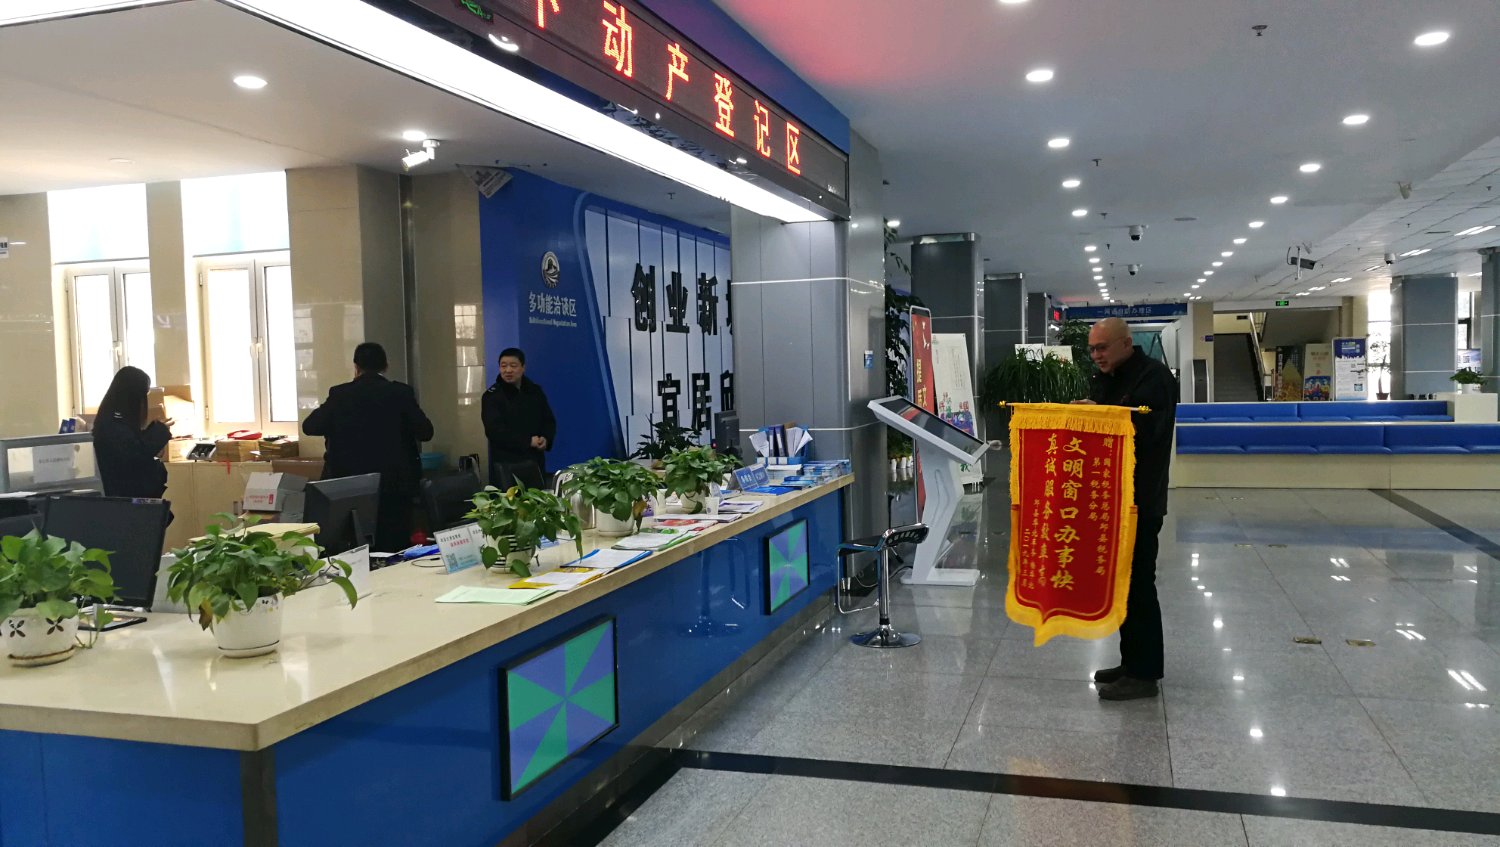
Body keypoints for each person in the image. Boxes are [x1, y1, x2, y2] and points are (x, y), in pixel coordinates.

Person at [1073, 317, 1178, 701]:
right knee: (1122, 584)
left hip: (1140, 501)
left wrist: (1098, 413)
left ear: (1126, 343)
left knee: (1139, 585)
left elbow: (1143, 431)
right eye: (1092, 349)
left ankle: (1145, 674)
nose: (1096, 355)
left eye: (1101, 347)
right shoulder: (1109, 378)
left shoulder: (1154, 378)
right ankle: (1131, 662)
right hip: (1111, 500)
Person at [303, 342, 434, 552]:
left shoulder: (340, 394)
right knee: (394, 547)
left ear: (356, 367)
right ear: (386, 365)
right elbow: (426, 432)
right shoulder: (401, 393)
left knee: (352, 549)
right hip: (394, 485)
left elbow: (310, 426)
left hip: (349, 488)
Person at [93, 366, 173, 500]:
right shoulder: (113, 426)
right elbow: (135, 453)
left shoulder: (111, 420)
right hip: (127, 501)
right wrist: (159, 433)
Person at [481, 347, 556, 489]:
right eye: (503, 366)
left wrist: (546, 438)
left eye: (513, 366)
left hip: (534, 461)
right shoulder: (492, 396)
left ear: (523, 368)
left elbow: (548, 420)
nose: (508, 370)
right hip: (506, 465)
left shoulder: (535, 392)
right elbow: (494, 431)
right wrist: (528, 441)